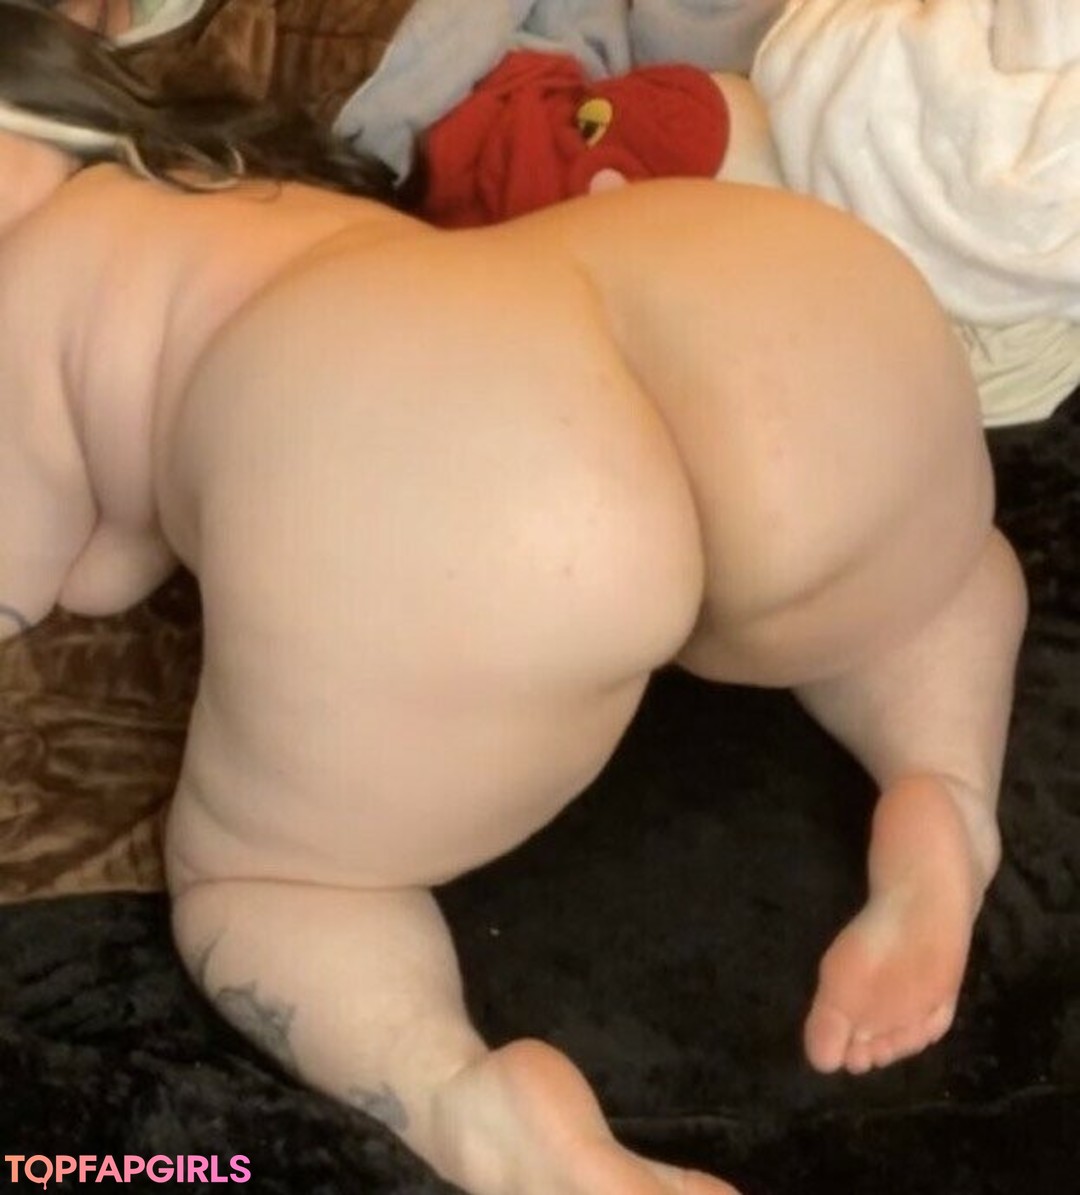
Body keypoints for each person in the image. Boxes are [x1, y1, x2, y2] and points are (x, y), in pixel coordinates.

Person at [0, 5, 1027, 1195]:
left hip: (448, 468)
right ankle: (945, 791)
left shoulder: (26, 287)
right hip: (758, 291)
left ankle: (467, 1102)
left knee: (263, 887)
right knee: (938, 581)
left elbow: (38, 571)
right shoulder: (218, 177)